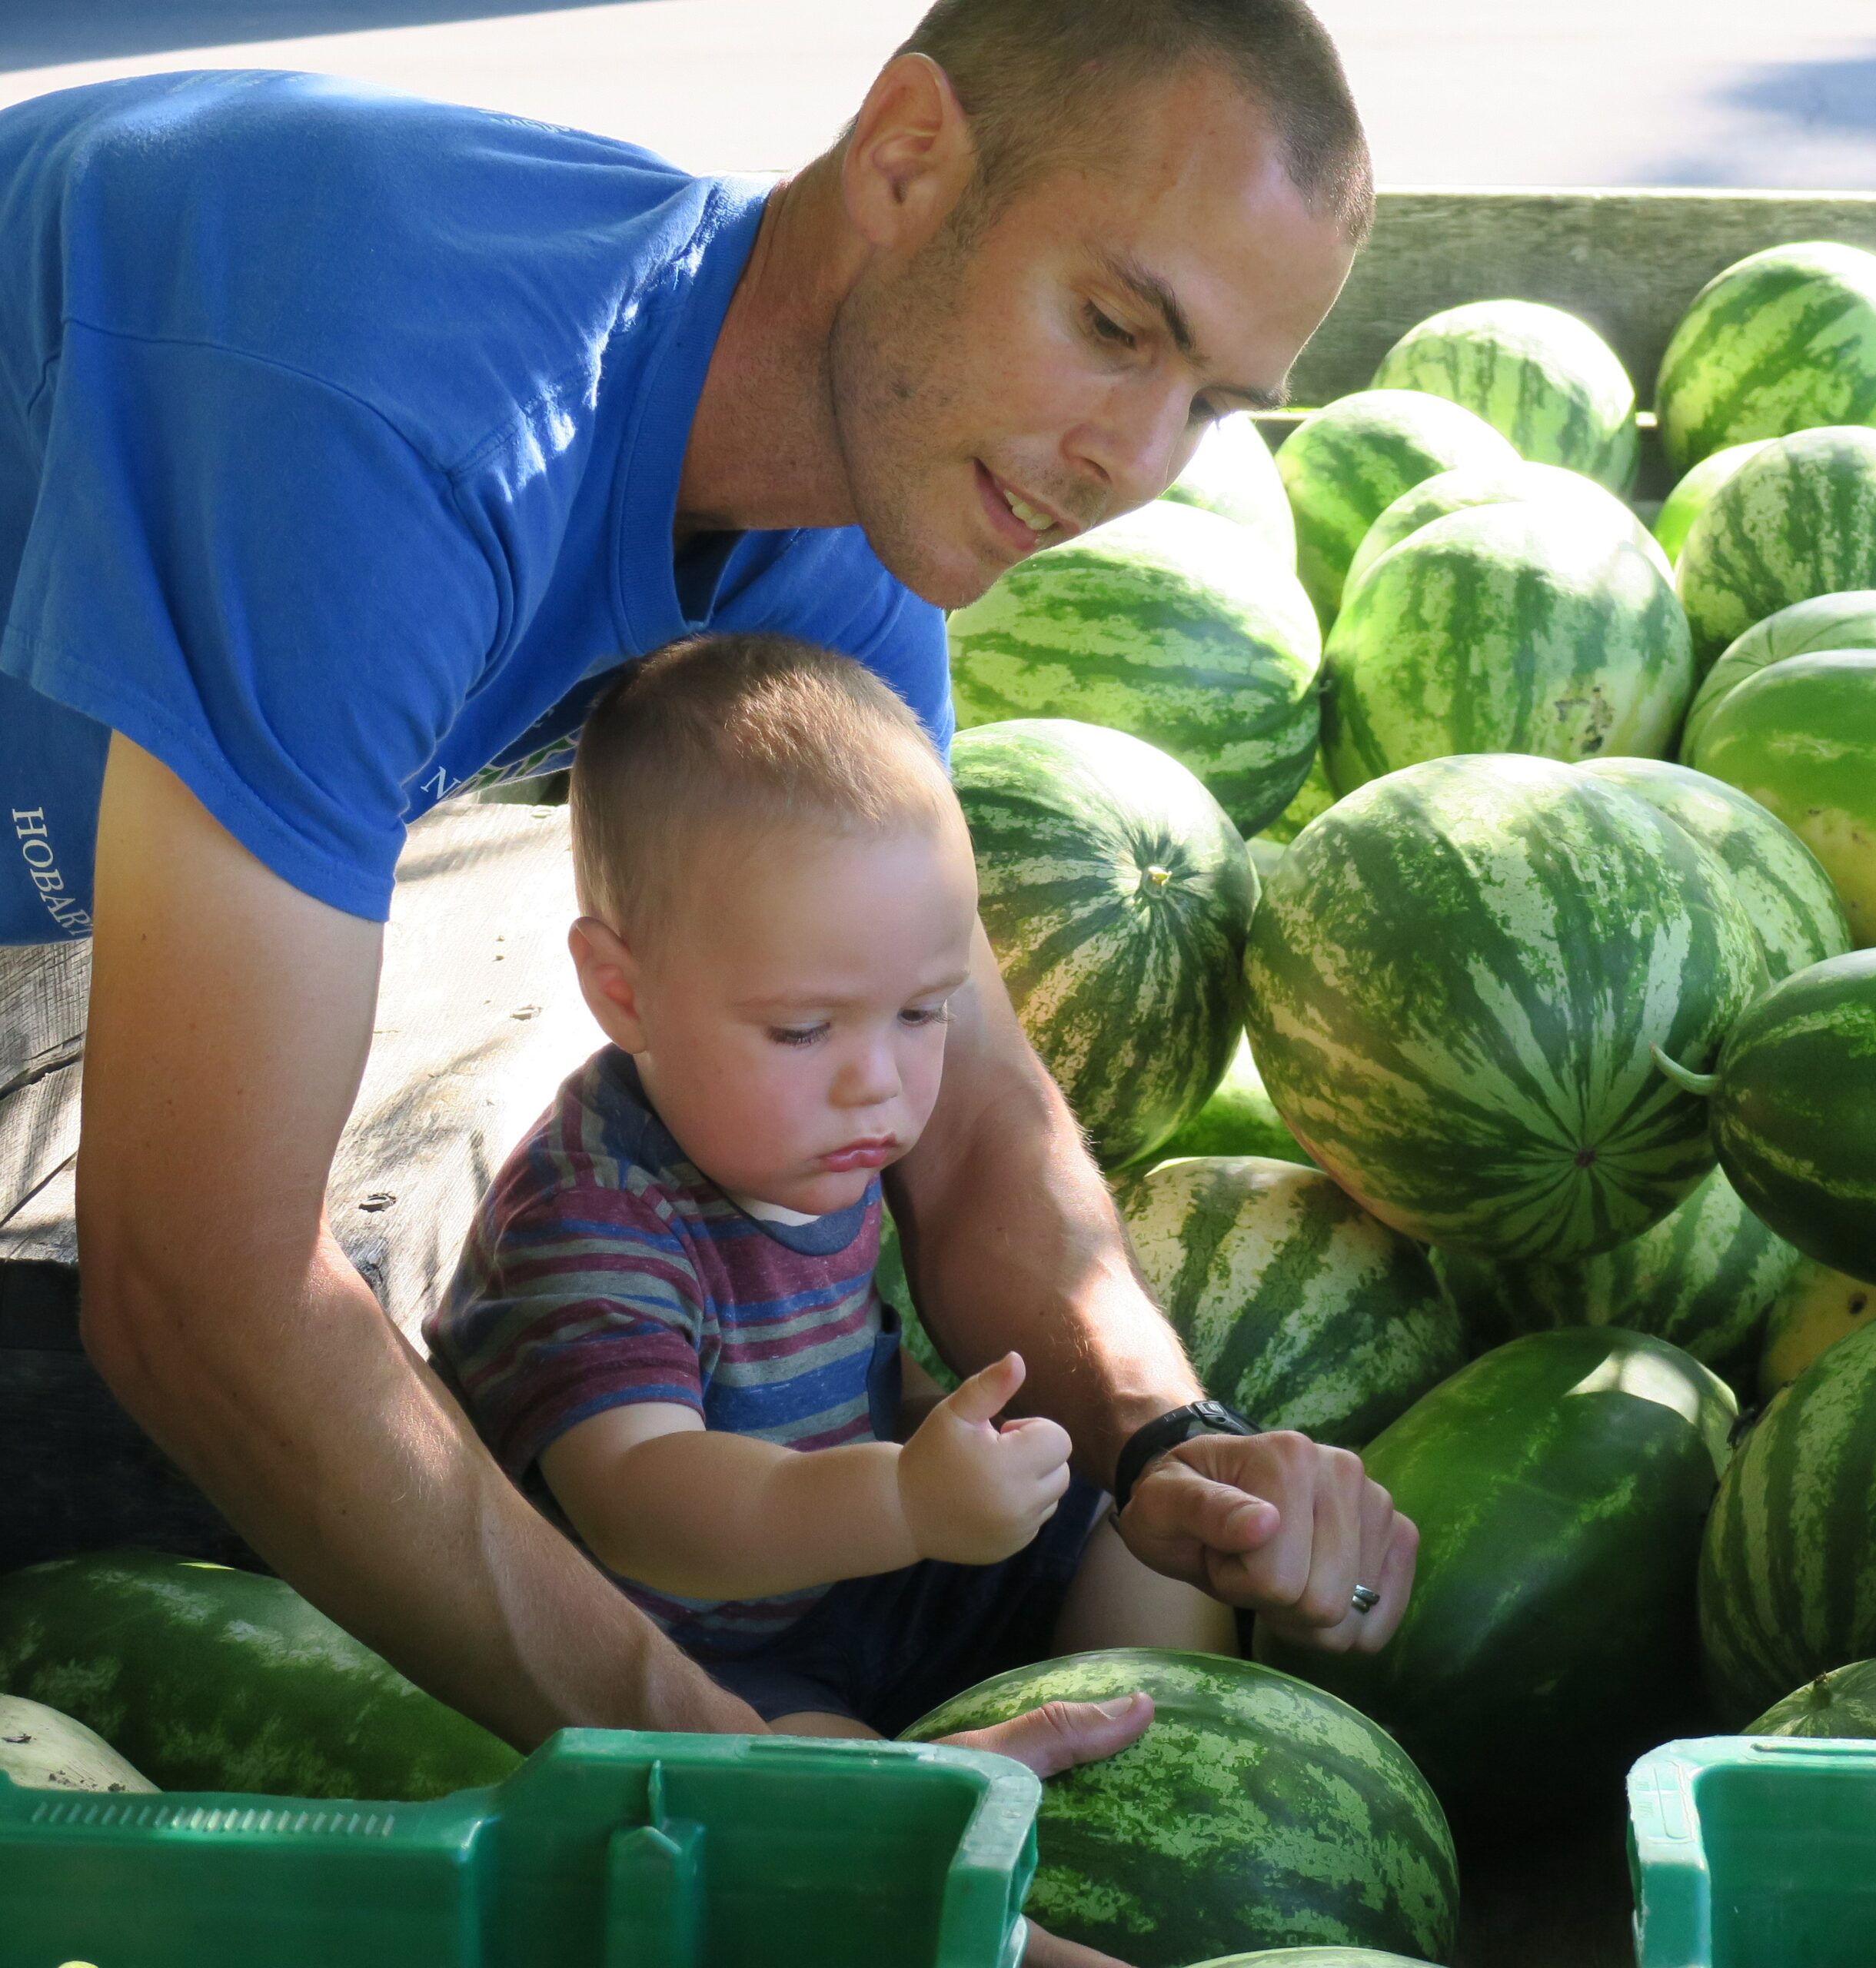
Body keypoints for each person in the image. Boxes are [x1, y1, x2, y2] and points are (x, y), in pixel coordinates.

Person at [0, 4, 1412, 1927]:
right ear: (905, 155)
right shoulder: (397, 422)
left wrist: (1167, 1442)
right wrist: (717, 1768)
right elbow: (198, 1292)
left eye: (1214, 403)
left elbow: (975, 1109)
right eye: (1113, 326)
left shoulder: (848, 524)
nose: (1128, 462)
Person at [427, 633, 1237, 1743]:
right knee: (822, 1788)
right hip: (694, 1654)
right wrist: (902, 1501)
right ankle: (985, 1830)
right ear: (622, 991)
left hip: (868, 1580)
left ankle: (1158, 1772)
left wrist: (954, 1449)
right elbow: (642, 1500)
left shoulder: (798, 1134)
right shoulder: (589, 1224)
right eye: (804, 1029)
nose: (879, 1083)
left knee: (1144, 1537)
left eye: (923, 1011)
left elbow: (830, 1359)